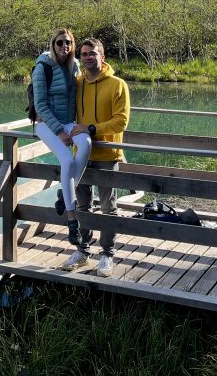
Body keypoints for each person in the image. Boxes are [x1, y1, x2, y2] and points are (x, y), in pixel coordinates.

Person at [61, 37, 130, 277]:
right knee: (82, 205)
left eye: (92, 53)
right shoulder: (77, 83)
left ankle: (107, 255)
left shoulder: (117, 84)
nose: (87, 57)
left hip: (107, 155)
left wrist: (90, 128)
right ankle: (83, 250)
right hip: (80, 155)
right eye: (84, 54)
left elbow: (121, 121)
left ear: (103, 57)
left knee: (108, 208)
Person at [31, 28, 92, 247]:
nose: (64, 46)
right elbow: (40, 104)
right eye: (59, 43)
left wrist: (75, 128)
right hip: (45, 124)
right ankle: (71, 217)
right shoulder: (42, 68)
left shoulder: (74, 66)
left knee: (85, 143)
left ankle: (65, 190)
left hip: (68, 121)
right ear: (52, 44)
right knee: (66, 160)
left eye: (68, 42)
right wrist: (59, 131)